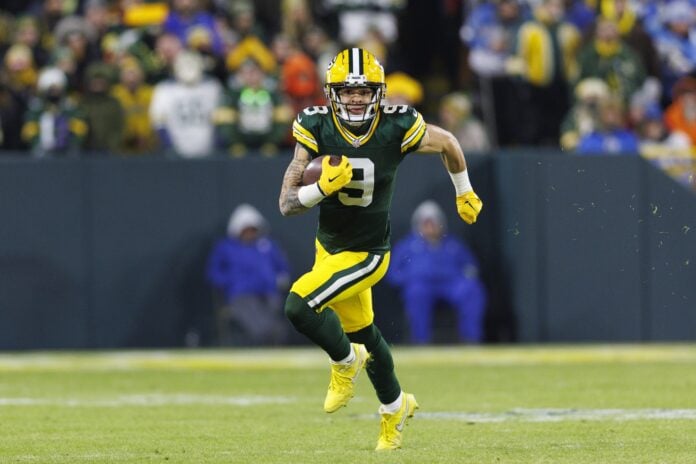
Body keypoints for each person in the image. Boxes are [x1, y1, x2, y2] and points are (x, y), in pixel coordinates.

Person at [277, 48, 483, 451]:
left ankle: (343, 363)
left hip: (368, 252)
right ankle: (395, 409)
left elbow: (449, 142)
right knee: (367, 338)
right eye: (347, 91)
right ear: (331, 93)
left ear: (379, 92)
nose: (355, 99)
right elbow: (286, 204)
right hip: (329, 248)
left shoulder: (396, 125)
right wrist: (321, 187)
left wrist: (465, 190)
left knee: (298, 306)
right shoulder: (315, 124)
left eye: (364, 91)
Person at [387, 200, 487, 344]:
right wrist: (410, 279)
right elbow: (393, 274)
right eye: (426, 223)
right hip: (422, 286)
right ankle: (421, 343)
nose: (430, 227)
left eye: (433, 223)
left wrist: (465, 277)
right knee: (416, 293)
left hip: (451, 285)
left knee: (472, 290)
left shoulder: (453, 244)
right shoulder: (407, 246)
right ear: (418, 225)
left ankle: (471, 340)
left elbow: (471, 267)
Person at [206, 204, 291, 346]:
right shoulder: (226, 247)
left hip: (269, 293)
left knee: (273, 306)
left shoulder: (268, 245)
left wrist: (279, 280)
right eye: (246, 230)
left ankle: (272, 336)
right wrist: (230, 282)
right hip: (241, 295)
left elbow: (283, 267)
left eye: (253, 230)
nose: (250, 233)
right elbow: (213, 272)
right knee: (251, 310)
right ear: (237, 230)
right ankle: (267, 335)